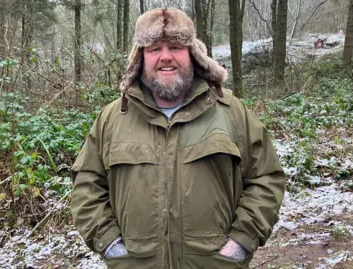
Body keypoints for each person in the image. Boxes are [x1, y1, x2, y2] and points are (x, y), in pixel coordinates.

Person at [71, 8, 286, 269]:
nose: (165, 57)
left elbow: (266, 177)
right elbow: (86, 185)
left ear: (193, 54)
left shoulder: (231, 112)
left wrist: (240, 242)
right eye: (154, 49)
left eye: (175, 46)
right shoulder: (112, 118)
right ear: (140, 58)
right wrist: (110, 243)